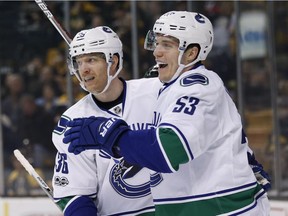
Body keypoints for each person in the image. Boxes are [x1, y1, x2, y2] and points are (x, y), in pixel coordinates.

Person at [63, 11, 270, 215]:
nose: (156, 52)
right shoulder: (170, 88)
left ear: (191, 53)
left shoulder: (198, 87)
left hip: (224, 210)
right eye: (157, 43)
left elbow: (168, 150)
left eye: (167, 45)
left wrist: (108, 134)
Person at [52, 26, 162, 215]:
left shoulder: (157, 92)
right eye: (79, 62)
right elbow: (74, 192)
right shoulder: (73, 121)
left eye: (91, 60)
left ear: (113, 62)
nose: (84, 70)